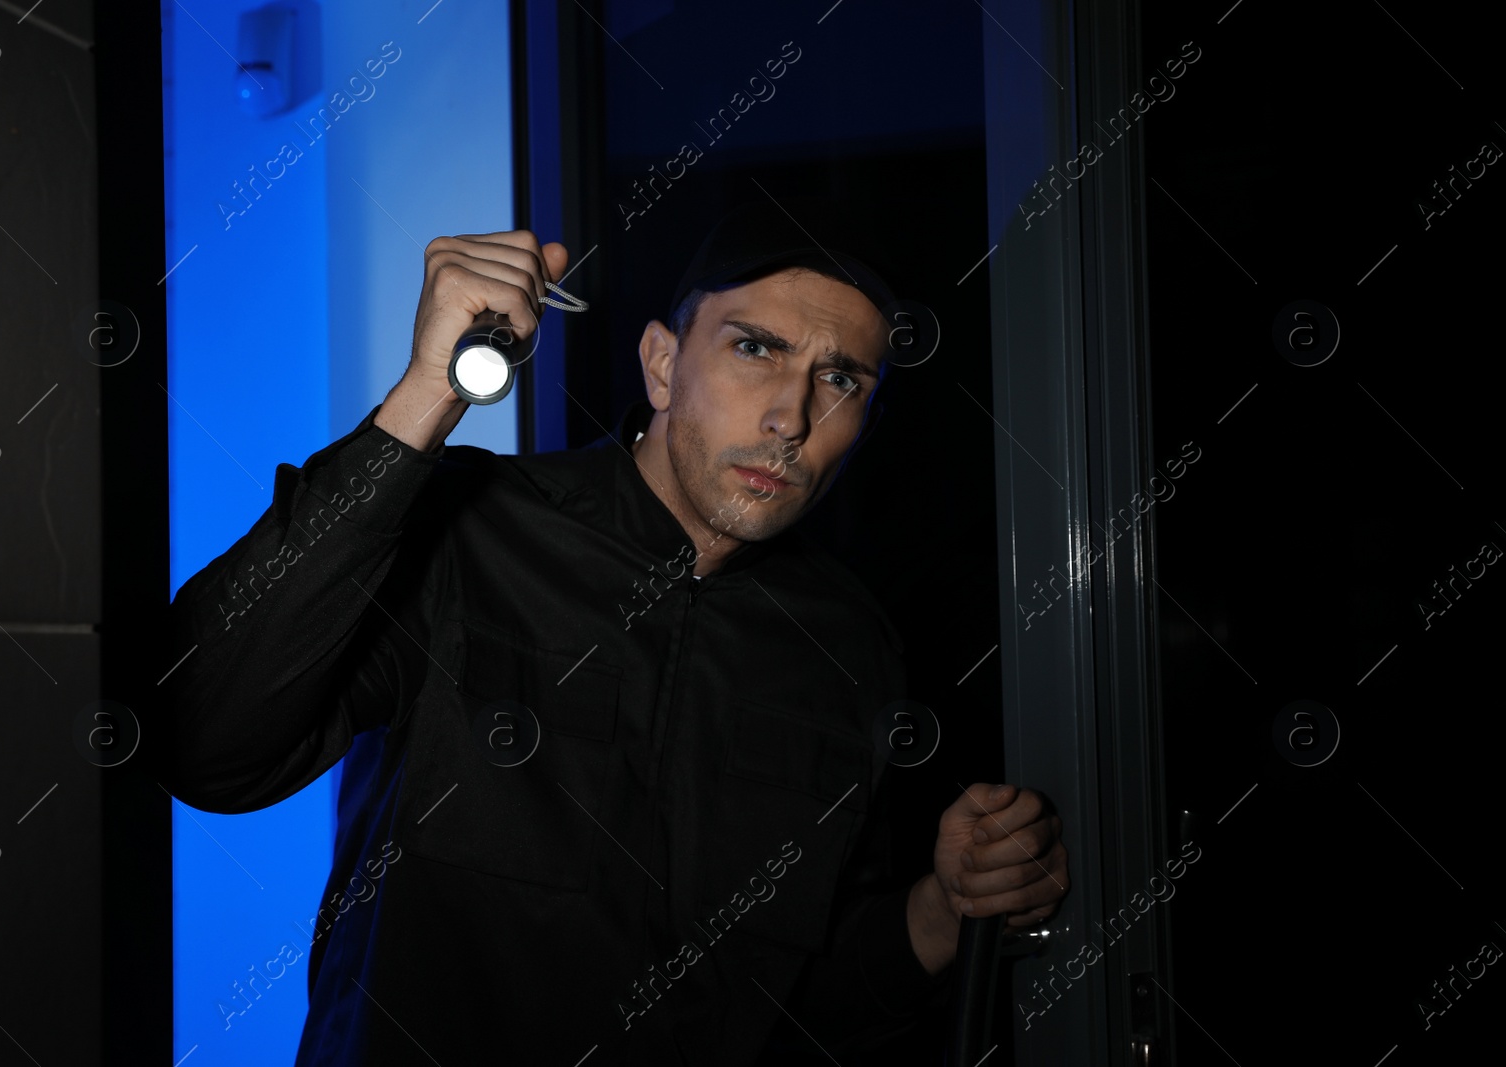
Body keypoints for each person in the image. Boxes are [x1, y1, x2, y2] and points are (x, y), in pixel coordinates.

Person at [154, 200, 1069, 1065]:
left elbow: (797, 1009)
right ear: (663, 364)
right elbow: (204, 739)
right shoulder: (471, 530)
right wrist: (423, 399)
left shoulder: (849, 648)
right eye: (755, 348)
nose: (792, 418)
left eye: (839, 380)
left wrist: (944, 909)